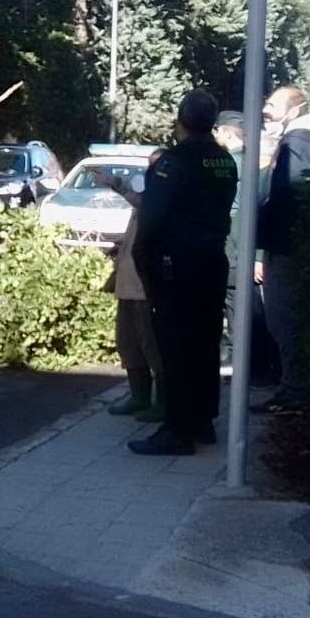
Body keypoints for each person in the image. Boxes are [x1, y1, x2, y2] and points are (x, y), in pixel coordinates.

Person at [128, 89, 238, 456]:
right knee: (206, 343)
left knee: (174, 346)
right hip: (212, 262)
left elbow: (153, 219)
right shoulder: (225, 161)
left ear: (181, 119)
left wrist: (144, 264)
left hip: (177, 266)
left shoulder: (174, 162)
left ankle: (176, 429)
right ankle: (203, 420)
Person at [254, 86, 310, 415]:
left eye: (271, 106)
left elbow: (285, 197)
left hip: (286, 249)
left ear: (294, 111)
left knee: (283, 319)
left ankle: (294, 391)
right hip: (296, 248)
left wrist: (265, 239)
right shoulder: (304, 140)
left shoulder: (297, 142)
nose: (266, 113)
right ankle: (295, 387)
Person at [95, 150, 166, 421]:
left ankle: (161, 402)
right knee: (127, 342)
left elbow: (143, 204)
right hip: (127, 282)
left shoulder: (160, 199)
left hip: (144, 286)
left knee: (152, 344)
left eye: (155, 167)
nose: (151, 173)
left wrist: (116, 184)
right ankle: (138, 395)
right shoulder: (150, 199)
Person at [214, 111, 281, 387]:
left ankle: (253, 369)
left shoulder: (231, 163)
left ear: (227, 133)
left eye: (217, 131)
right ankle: (251, 366)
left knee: (240, 309)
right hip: (242, 247)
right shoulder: (253, 163)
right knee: (245, 307)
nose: (214, 137)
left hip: (236, 245)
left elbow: (243, 211)